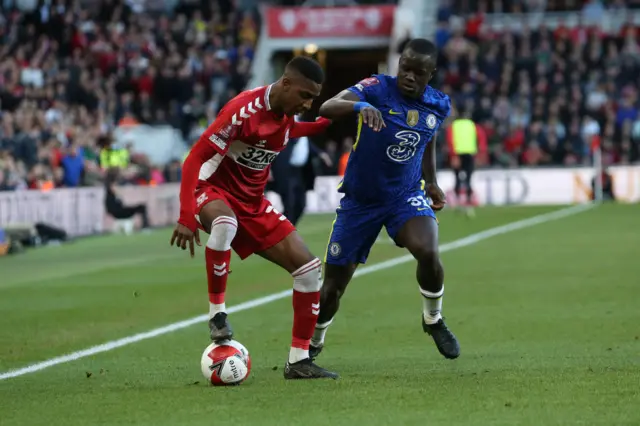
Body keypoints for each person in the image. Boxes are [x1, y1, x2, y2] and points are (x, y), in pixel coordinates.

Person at [170, 56, 339, 380]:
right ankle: (217, 316)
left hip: (253, 203)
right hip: (213, 189)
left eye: (313, 99)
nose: (308, 103)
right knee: (225, 223)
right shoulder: (242, 110)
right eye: (305, 95)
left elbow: (289, 129)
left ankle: (299, 360)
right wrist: (187, 214)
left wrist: (322, 124)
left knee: (309, 271)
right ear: (285, 84)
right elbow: (195, 159)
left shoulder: (286, 113)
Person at [310, 38, 460, 361]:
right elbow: (326, 107)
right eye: (405, 68)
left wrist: (431, 182)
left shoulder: (438, 104)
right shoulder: (377, 87)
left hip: (404, 196)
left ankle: (433, 318)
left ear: (429, 75)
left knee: (429, 250)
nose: (408, 76)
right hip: (360, 202)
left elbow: (428, 137)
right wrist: (359, 106)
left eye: (418, 72)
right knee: (333, 288)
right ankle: (315, 340)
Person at [271, 115, 333, 227]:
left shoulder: (299, 121)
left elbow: (306, 142)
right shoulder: (282, 122)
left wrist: (320, 153)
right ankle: (284, 230)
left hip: (301, 172)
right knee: (289, 203)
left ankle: (287, 228)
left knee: (301, 204)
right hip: (286, 171)